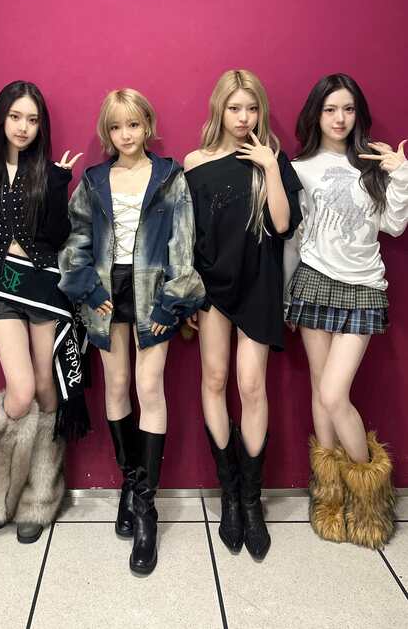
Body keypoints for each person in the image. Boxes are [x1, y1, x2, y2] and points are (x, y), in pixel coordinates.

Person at [59, 88, 204, 575]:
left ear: (147, 125)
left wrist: (172, 300)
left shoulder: (169, 177)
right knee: (117, 385)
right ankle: (131, 481)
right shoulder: (94, 180)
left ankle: (146, 508)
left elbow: (183, 243)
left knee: (149, 386)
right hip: (106, 291)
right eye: (116, 126)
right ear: (108, 131)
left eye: (134, 124)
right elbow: (76, 238)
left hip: (153, 291)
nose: (126, 134)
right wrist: (85, 285)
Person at [0, 80, 88, 545]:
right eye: (16, 116)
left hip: (42, 286)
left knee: (47, 387)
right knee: (20, 390)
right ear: (1, 118)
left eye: (32, 120)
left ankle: (40, 498)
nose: (23, 127)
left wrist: (58, 185)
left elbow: (56, 236)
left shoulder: (47, 172)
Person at [284, 73, 407, 549]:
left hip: (363, 287)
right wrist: (286, 297)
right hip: (314, 282)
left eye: (348, 109)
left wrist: (401, 173)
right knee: (320, 391)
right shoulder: (301, 168)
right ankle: (329, 498)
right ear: (316, 114)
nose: (339, 118)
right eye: (330, 109)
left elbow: (394, 224)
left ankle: (370, 499)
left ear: (359, 114)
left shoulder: (373, 163)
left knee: (336, 394)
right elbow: (294, 238)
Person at [184, 69, 301, 561]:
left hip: (258, 285)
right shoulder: (195, 162)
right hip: (212, 286)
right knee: (214, 380)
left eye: (252, 108)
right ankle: (229, 494)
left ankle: (252, 501)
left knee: (252, 386)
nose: (244, 117)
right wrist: (187, 296)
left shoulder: (272, 157)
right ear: (219, 109)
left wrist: (270, 167)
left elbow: (282, 224)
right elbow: (187, 234)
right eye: (235, 108)